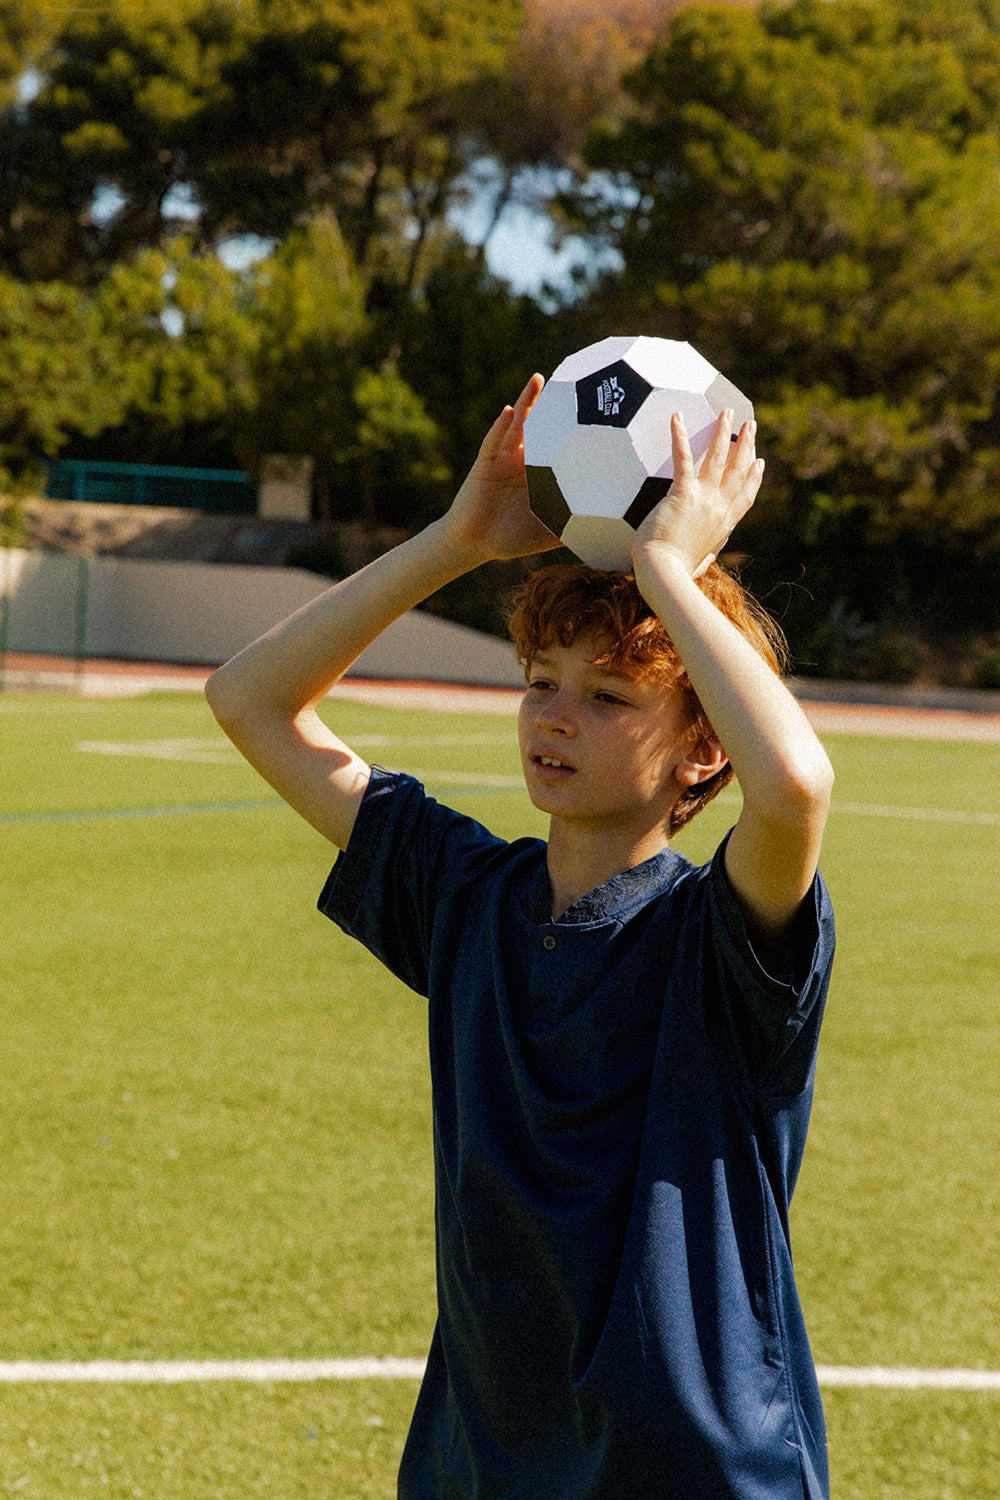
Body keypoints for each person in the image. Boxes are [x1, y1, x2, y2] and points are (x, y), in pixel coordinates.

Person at [206, 375, 836, 1500]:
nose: (553, 715)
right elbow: (251, 699)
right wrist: (456, 540)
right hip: (484, 1460)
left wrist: (669, 569)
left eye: (608, 699)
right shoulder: (461, 893)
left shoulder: (721, 934)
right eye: (541, 683)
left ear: (701, 753)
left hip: (689, 1466)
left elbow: (791, 788)